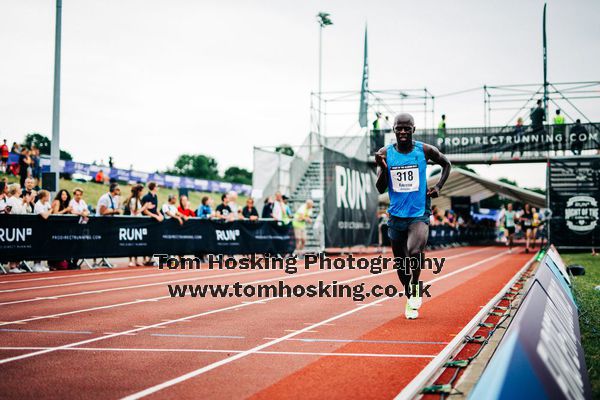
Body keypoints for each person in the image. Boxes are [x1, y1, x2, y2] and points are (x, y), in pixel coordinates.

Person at [375, 113, 451, 320]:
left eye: (406, 128)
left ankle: (416, 286)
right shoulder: (385, 153)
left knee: (415, 251)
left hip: (419, 213)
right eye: (399, 128)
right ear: (393, 130)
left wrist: (438, 187)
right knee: (401, 264)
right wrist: (383, 168)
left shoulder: (424, 150)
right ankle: (410, 293)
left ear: (413, 130)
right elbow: (380, 188)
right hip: (396, 214)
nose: (402, 132)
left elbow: (446, 164)